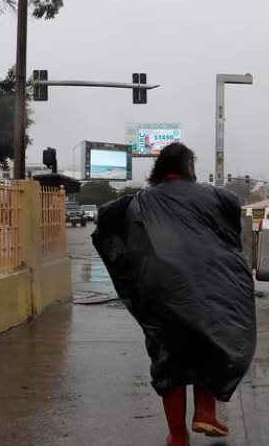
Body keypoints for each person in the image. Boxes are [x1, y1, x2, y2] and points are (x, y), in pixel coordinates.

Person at [92, 143, 256, 446]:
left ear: (159, 170)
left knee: (169, 359)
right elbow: (233, 211)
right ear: (189, 167)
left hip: (160, 292)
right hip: (208, 289)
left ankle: (178, 435)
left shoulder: (139, 202)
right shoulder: (213, 196)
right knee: (211, 343)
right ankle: (205, 412)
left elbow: (105, 218)